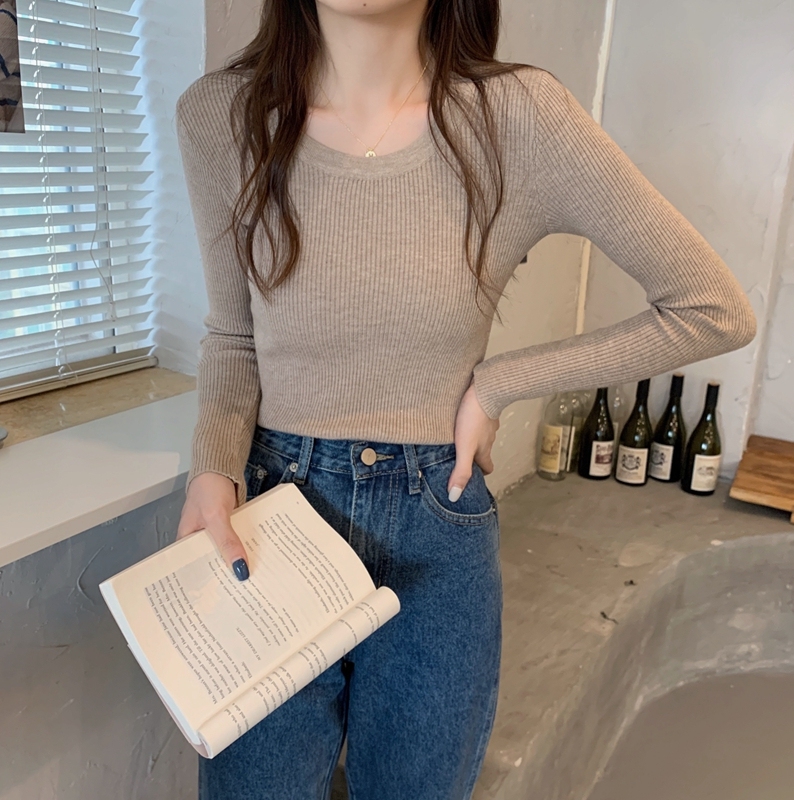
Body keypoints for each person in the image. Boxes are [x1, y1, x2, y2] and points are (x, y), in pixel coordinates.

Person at [174, 1, 756, 798]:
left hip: (436, 520)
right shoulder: (222, 116)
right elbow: (235, 334)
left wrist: (499, 382)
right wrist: (213, 467)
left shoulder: (520, 118)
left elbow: (711, 307)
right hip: (270, 521)